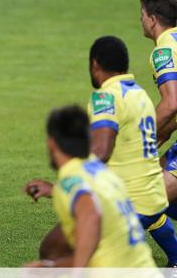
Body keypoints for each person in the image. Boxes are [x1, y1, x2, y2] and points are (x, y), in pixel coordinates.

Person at [26, 36, 177, 266]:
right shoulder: (140, 95)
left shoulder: (106, 96)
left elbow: (102, 150)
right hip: (147, 196)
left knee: (57, 252)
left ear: (95, 64)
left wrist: (62, 183)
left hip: (128, 200)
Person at [24, 105, 156, 267]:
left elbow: (91, 215)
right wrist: (50, 267)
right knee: (51, 251)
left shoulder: (72, 179)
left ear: (51, 143)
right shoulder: (104, 173)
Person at [140, 0, 177, 212]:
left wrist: (141, 139)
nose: (141, 20)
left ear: (153, 20)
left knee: (147, 200)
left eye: (142, 14)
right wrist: (168, 128)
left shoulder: (163, 51)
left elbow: (172, 102)